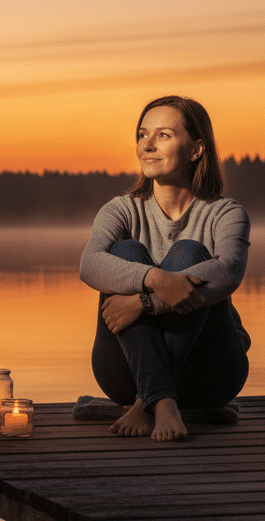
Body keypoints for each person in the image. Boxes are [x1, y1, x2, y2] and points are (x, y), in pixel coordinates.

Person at [79, 95, 250, 441]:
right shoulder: (121, 210)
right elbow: (90, 265)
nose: (148, 145)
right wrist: (154, 278)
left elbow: (229, 270)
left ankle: (148, 400)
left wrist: (144, 303)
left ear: (196, 149)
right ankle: (161, 399)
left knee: (188, 252)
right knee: (125, 250)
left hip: (209, 373)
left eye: (164, 135)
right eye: (143, 135)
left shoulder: (226, 214)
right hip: (122, 375)